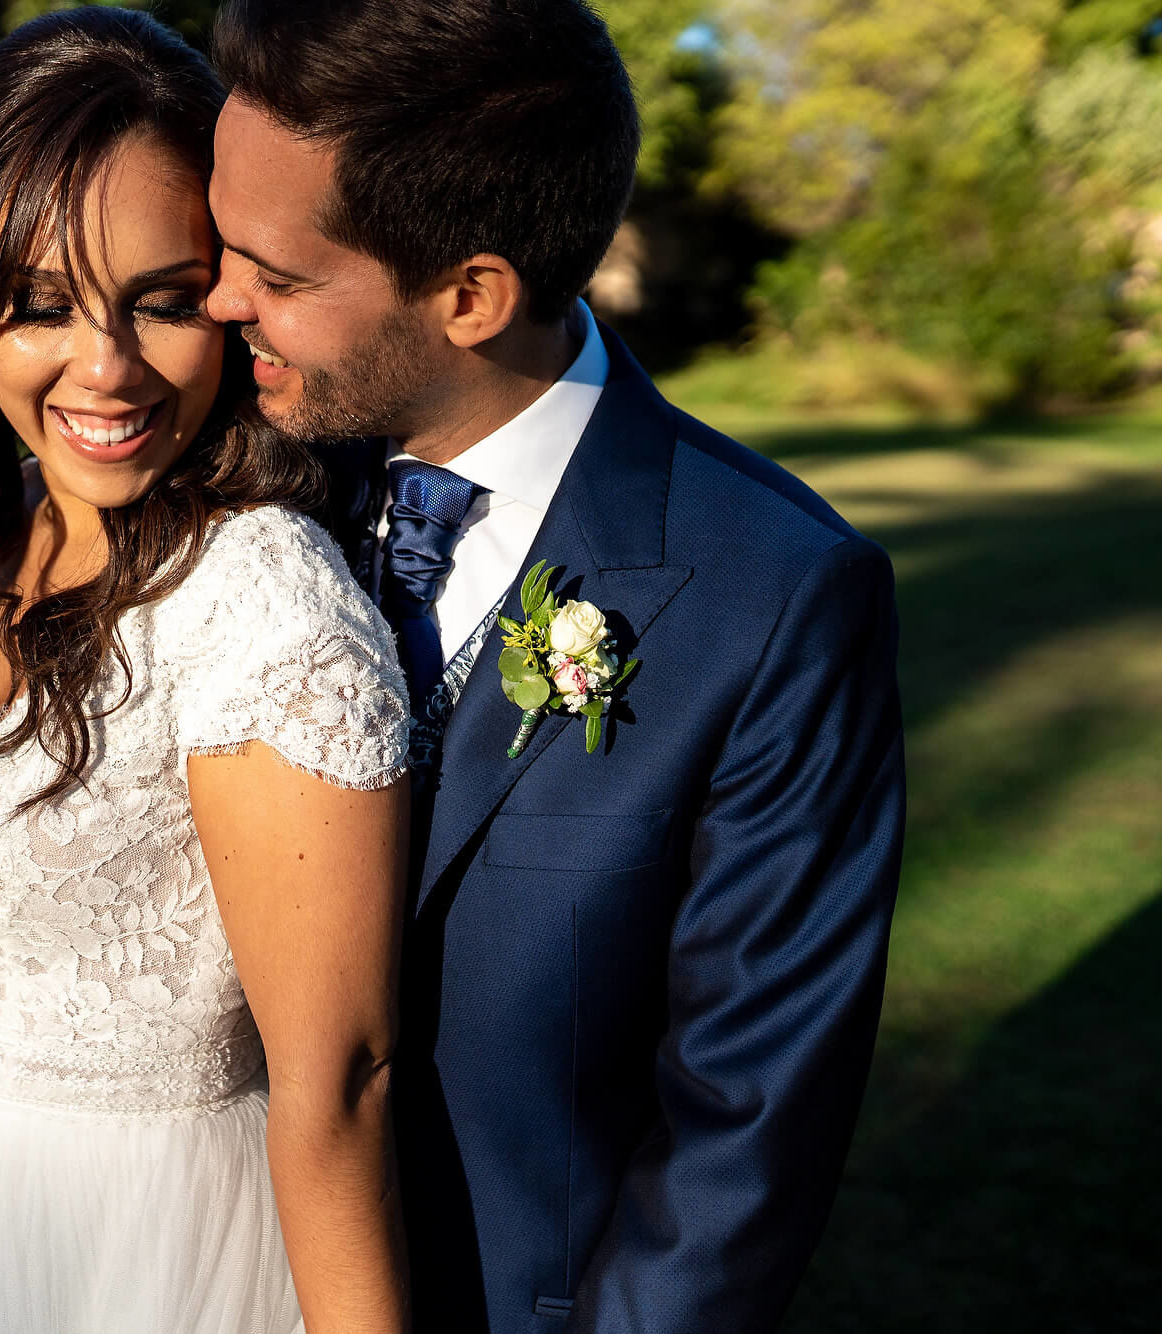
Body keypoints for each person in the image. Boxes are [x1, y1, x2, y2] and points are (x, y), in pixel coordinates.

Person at [204, 1, 907, 1330]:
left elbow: (741, 1134)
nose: (222, 297)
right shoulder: (248, 483)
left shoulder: (778, 597)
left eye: (279, 275)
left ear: (473, 295)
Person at [0, 10, 412, 1333]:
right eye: (41, 306)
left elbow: (339, 1085)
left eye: (165, 301)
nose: (106, 370)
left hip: (145, 1242)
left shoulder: (264, 607)